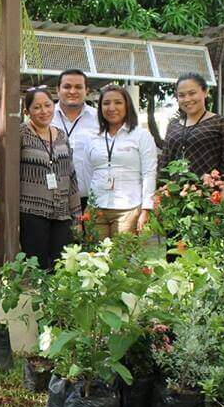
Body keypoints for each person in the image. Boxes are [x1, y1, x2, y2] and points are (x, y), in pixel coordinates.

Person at [19, 87, 81, 271]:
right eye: (37, 107)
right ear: (27, 111)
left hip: (62, 212)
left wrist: (76, 215)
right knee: (36, 268)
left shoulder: (61, 135)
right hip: (32, 211)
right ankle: (36, 300)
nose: (44, 111)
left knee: (62, 267)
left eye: (47, 105)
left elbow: (70, 175)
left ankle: (58, 301)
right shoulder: (21, 133)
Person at [86, 85, 157, 238]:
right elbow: (89, 170)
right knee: (95, 257)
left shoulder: (141, 136)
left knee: (122, 258)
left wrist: (146, 209)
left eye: (118, 102)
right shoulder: (92, 137)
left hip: (128, 209)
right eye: (106, 103)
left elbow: (149, 173)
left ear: (127, 106)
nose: (111, 107)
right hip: (96, 207)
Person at [51, 69, 97, 212]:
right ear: (58, 90)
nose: (72, 91)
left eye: (78, 87)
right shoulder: (45, 116)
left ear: (86, 90)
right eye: (67, 86)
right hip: (53, 198)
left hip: (90, 201)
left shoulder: (98, 118)